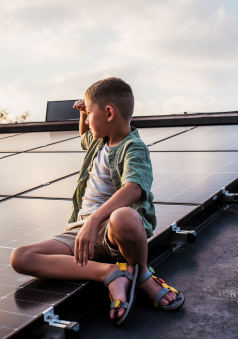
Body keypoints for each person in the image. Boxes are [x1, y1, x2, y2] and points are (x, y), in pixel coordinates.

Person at [10, 77, 184, 326]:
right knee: (21, 257)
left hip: (113, 233)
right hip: (81, 233)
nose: (88, 119)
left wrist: (95, 220)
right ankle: (110, 273)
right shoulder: (98, 142)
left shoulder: (133, 148)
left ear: (109, 113)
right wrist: (84, 114)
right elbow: (85, 135)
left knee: (122, 216)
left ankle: (142, 273)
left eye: (91, 113)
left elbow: (133, 188)